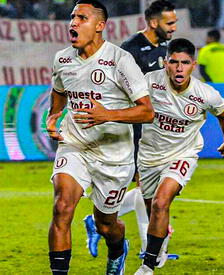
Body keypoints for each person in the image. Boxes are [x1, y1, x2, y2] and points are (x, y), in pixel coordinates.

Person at [45, 1, 155, 274]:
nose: (73, 23)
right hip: (76, 144)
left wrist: (108, 114)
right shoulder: (62, 58)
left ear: (99, 26)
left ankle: (118, 250)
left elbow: (147, 111)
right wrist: (53, 115)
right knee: (62, 207)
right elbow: (59, 88)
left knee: (107, 224)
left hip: (114, 156)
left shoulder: (120, 60)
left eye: (81, 18)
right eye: (72, 17)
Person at [83, 0, 180, 265]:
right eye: (169, 22)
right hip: (138, 131)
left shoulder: (167, 49)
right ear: (153, 22)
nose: (174, 27)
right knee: (148, 189)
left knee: (155, 190)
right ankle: (151, 251)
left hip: (162, 132)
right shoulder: (130, 50)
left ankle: (95, 221)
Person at [133, 38, 224, 274]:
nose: (179, 68)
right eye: (174, 62)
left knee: (161, 202)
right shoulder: (149, 82)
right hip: (149, 155)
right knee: (153, 209)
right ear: (165, 63)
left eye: (185, 63)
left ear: (194, 64)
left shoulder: (205, 94)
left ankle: (147, 267)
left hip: (183, 154)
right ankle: (162, 240)